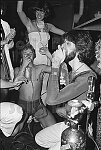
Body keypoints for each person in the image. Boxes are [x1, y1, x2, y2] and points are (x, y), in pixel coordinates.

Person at [35, 30, 98, 150]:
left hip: (78, 133)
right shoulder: (72, 72)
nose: (62, 46)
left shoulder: (86, 77)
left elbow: (51, 100)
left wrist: (55, 64)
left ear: (80, 49)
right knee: (40, 139)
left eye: (68, 44)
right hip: (69, 123)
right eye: (63, 43)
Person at [17, 0, 65, 105]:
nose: (39, 14)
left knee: (44, 88)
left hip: (46, 61)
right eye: (37, 11)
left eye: (42, 12)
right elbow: (19, 11)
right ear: (34, 12)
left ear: (46, 13)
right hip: (32, 61)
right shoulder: (29, 24)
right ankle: (29, 114)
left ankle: (40, 113)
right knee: (31, 88)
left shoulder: (49, 26)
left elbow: (64, 34)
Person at [14, 43, 56, 128]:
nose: (28, 55)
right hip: (23, 105)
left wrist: (48, 54)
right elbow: (16, 86)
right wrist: (23, 66)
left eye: (30, 53)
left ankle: (37, 120)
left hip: (37, 105)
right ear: (21, 56)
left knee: (53, 127)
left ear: (34, 55)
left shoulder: (40, 68)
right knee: (14, 132)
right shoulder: (17, 70)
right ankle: (28, 118)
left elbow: (58, 70)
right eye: (25, 53)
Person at [1, 0, 16, 102]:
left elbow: (9, 46)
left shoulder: (5, 25)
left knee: (4, 90)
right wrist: (5, 41)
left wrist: (11, 39)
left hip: (3, 62)